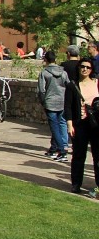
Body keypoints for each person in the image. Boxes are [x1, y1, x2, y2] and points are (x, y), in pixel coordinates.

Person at [68, 59, 99, 198]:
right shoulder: (73, 85)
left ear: (91, 70)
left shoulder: (97, 83)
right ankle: (76, 183)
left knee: (97, 156)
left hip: (96, 124)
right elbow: (68, 107)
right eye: (82, 66)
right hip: (80, 123)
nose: (85, 69)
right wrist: (70, 124)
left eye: (88, 67)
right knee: (79, 155)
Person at [38, 50, 69, 162]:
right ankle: (53, 149)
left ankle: (62, 151)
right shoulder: (63, 73)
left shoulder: (44, 73)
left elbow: (41, 90)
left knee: (54, 128)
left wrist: (43, 101)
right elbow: (68, 85)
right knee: (59, 125)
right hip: (62, 101)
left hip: (50, 102)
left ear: (45, 59)